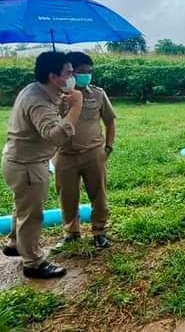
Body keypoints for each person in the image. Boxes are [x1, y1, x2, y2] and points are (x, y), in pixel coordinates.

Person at [0, 51, 82, 279]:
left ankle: (15, 243)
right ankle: (34, 263)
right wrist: (76, 106)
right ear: (53, 76)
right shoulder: (37, 100)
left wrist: (64, 102)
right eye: (68, 73)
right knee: (32, 214)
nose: (73, 76)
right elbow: (55, 135)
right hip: (27, 165)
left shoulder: (38, 91)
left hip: (19, 160)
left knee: (23, 206)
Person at [53, 52, 116, 251]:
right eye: (81, 71)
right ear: (70, 73)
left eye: (89, 72)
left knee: (99, 196)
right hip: (64, 155)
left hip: (93, 153)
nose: (86, 75)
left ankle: (99, 232)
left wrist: (108, 148)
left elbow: (110, 121)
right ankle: (71, 233)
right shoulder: (55, 96)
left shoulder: (98, 94)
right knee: (67, 197)